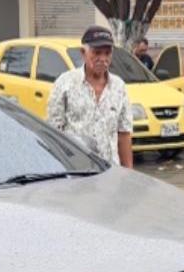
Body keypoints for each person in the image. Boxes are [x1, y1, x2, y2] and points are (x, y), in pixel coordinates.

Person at [46, 26, 133, 168]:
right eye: (97, 53)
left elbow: (124, 134)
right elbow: (54, 133)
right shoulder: (65, 83)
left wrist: (129, 173)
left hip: (110, 172)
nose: (103, 59)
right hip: (76, 171)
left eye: (107, 53)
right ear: (83, 53)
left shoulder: (119, 87)